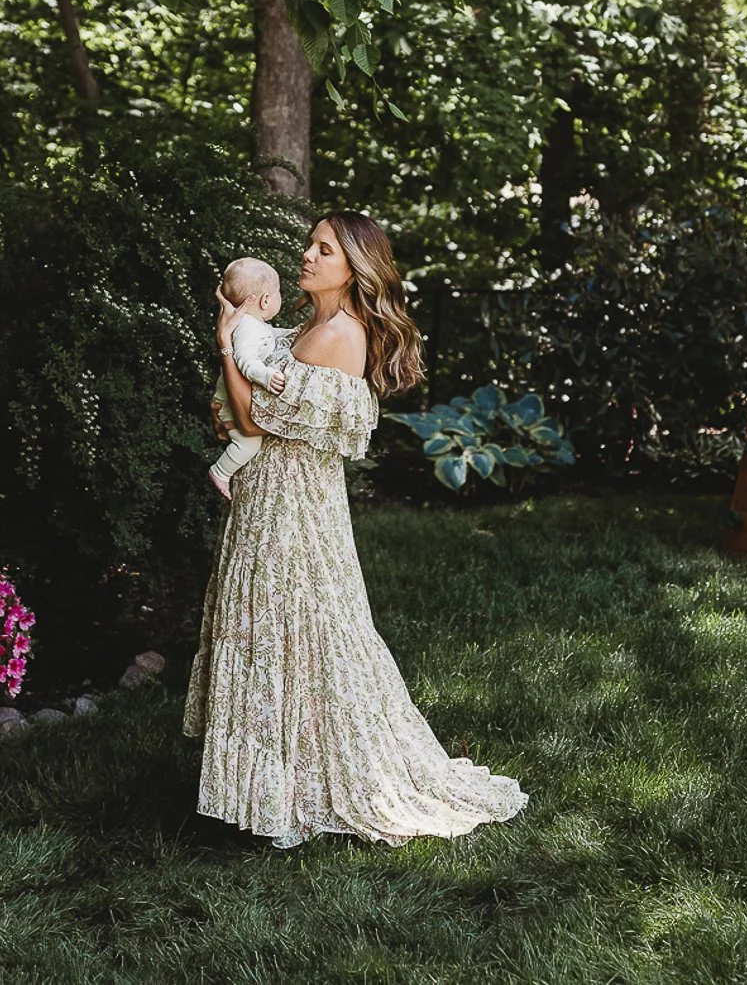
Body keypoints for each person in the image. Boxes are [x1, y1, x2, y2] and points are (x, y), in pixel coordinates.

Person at [185, 211, 528, 847]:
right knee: (279, 627)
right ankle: (274, 783)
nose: (308, 256)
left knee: (297, 627)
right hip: (271, 493)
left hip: (292, 505)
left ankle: (306, 782)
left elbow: (253, 420)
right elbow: (247, 407)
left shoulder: (336, 336)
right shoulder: (306, 327)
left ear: (353, 267)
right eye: (309, 245)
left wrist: (226, 343)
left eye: (325, 250)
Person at [207, 257, 292, 499]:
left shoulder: (253, 324)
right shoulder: (247, 328)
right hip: (228, 405)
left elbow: (270, 335)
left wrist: (292, 333)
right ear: (266, 299)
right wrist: (266, 376)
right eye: (278, 293)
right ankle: (220, 472)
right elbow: (244, 359)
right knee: (248, 444)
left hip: (232, 400)